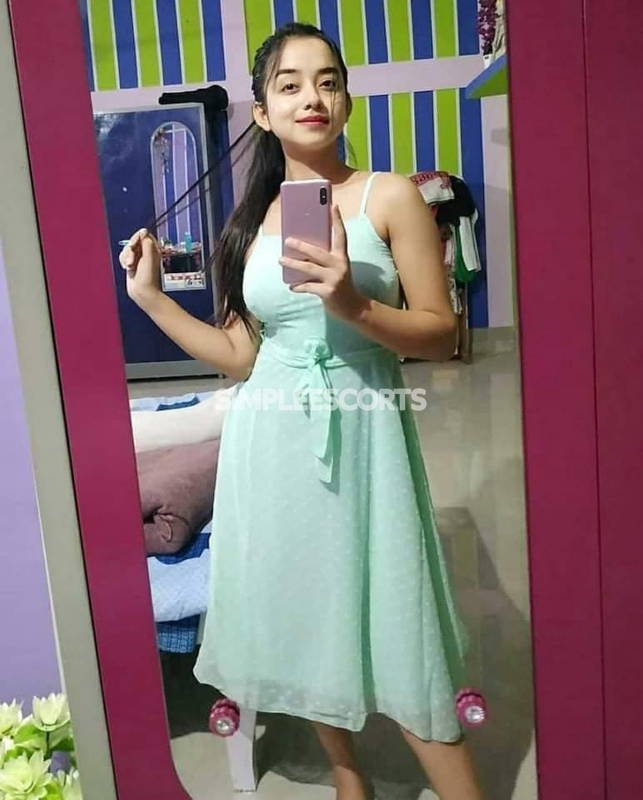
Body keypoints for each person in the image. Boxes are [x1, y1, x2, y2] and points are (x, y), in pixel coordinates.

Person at [120, 22, 484, 800]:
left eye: (327, 81)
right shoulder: (249, 222)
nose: (310, 97)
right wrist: (150, 299)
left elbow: (439, 334)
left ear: (345, 100)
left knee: (399, 617)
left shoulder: (389, 196)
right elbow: (239, 355)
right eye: (288, 85)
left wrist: (352, 303)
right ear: (263, 111)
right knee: (304, 608)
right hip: (268, 443)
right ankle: (348, 775)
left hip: (364, 431)